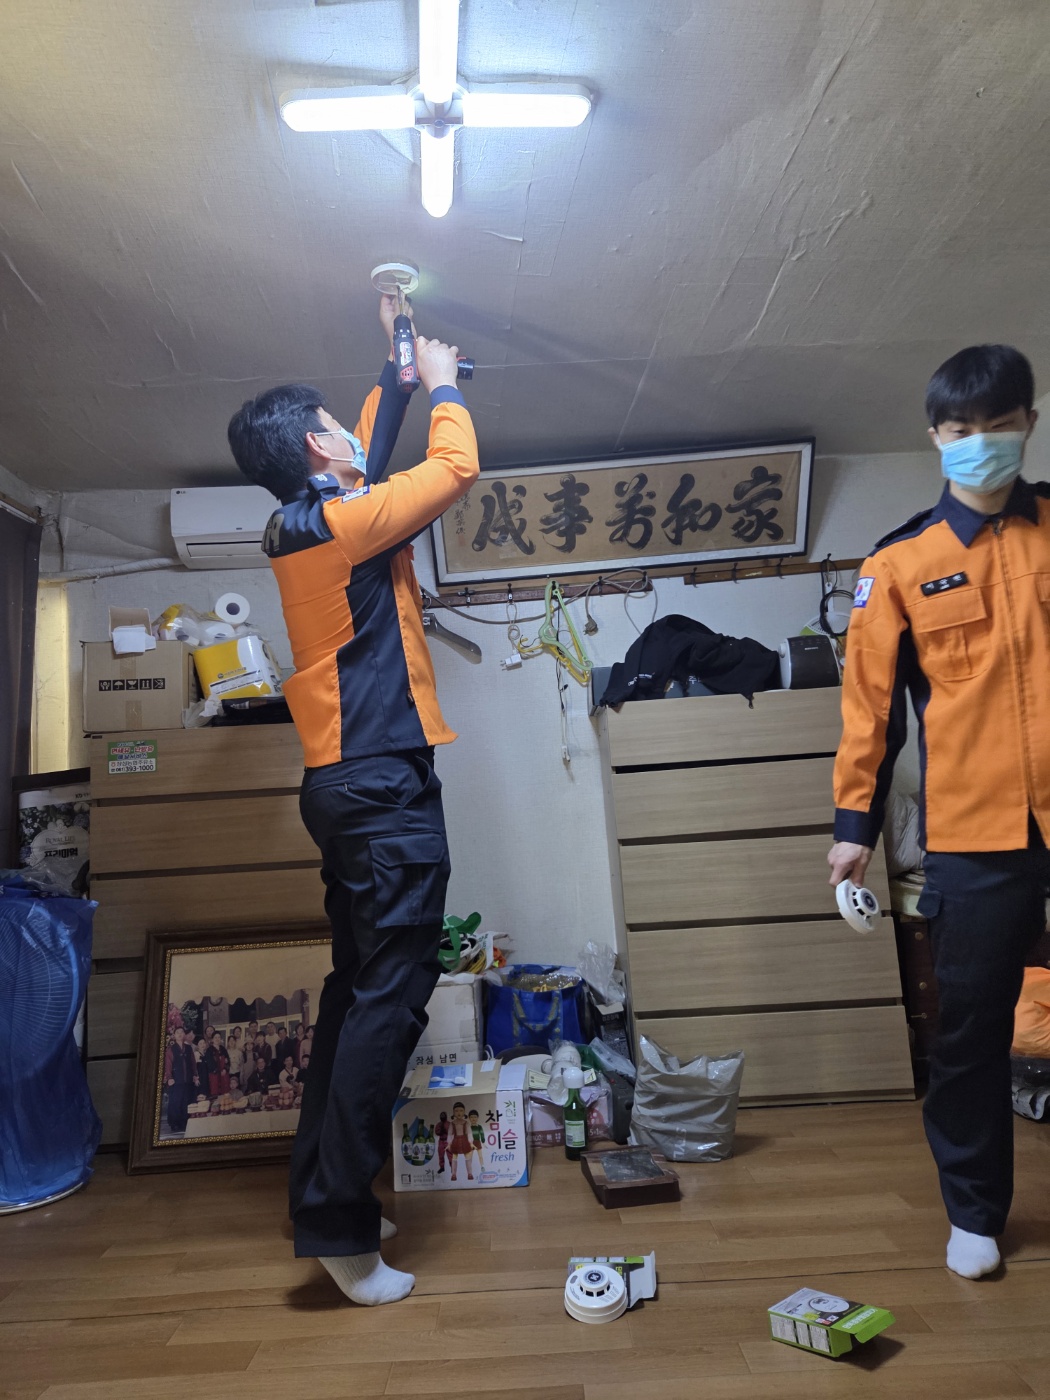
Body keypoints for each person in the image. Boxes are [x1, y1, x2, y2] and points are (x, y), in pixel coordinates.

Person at [227, 295, 478, 1308]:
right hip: (378, 788)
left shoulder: (310, 519)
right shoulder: (341, 521)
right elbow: (453, 469)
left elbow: (368, 442)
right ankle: (339, 1223)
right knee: (390, 1002)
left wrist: (398, 358)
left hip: (350, 785)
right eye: (335, 424)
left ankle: (327, 1201)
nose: (350, 431)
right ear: (313, 447)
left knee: (357, 996)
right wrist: (445, 384)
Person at [828, 344, 1048, 1281]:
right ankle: (974, 1213)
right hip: (975, 835)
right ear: (935, 437)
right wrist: (852, 833)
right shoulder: (900, 563)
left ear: (1028, 423)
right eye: (962, 431)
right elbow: (869, 713)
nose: (981, 444)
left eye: (999, 426)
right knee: (970, 1032)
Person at [163, 1026, 199, 1133]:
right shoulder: (170, 1049)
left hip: (187, 1080)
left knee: (186, 1101)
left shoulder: (188, 1048)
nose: (179, 1034)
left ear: (184, 1035)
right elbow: (168, 1065)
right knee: (175, 1102)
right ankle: (174, 1124)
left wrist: (195, 1075)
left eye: (181, 1032)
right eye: (177, 1032)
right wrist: (169, 1078)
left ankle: (184, 1123)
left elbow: (193, 1063)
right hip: (176, 1080)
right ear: (174, 1035)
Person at [203, 1030, 231, 1099]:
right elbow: (209, 1063)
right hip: (214, 1075)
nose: (217, 1039)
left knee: (225, 1093)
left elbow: (228, 1061)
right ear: (212, 1039)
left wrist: (225, 1069)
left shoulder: (223, 1049)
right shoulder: (209, 1050)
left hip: (224, 1074)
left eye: (219, 1037)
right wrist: (218, 1071)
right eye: (215, 1037)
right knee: (215, 1093)